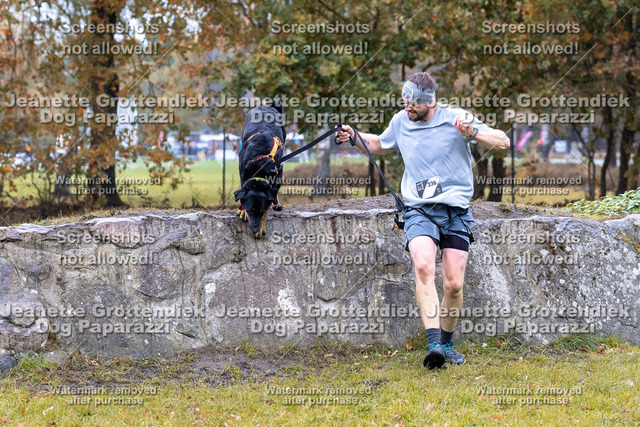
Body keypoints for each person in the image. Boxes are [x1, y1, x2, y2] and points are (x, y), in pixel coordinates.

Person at [337, 72, 510, 369]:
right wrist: (355, 136)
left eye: (413, 104)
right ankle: (434, 347)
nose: (407, 108)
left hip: (455, 211)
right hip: (419, 209)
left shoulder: (455, 118)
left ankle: (447, 343)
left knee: (453, 284)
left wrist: (473, 133)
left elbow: (503, 141)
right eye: (405, 102)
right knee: (423, 266)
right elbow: (379, 144)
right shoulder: (401, 121)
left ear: (430, 102)